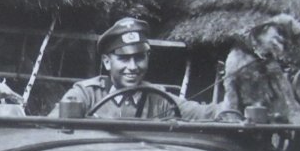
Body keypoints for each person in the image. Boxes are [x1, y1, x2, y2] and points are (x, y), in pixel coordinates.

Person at [50, 17, 216, 120]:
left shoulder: (159, 99)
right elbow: (49, 128)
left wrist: (228, 104)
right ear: (107, 62)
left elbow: (204, 113)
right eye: (123, 58)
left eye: (139, 58)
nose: (133, 67)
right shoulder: (86, 95)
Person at [221, 14, 300, 124]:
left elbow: (283, 86)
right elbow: (230, 86)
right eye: (278, 33)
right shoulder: (237, 57)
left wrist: (294, 114)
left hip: (267, 111)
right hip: (241, 110)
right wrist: (232, 114)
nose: (281, 39)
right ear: (265, 29)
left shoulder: (270, 59)